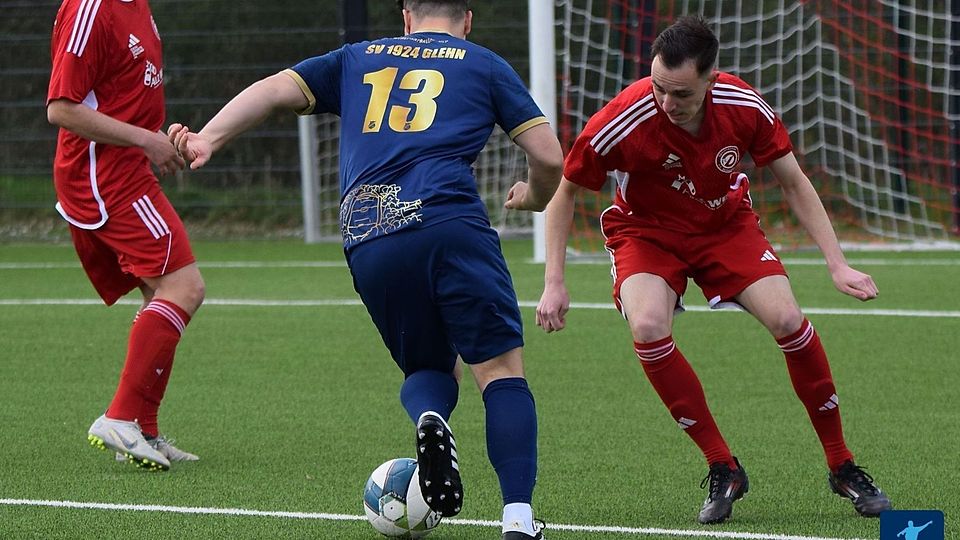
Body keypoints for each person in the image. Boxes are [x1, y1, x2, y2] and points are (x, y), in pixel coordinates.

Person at [168, 1, 562, 537]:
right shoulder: (481, 62)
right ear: (467, 20)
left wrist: (208, 137)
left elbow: (274, 89)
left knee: (427, 368)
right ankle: (518, 519)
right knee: (499, 372)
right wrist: (535, 198)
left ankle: (432, 418)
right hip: (450, 223)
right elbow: (550, 158)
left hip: (369, 232)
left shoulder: (357, 58)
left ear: (405, 16)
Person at [536, 15, 892, 524]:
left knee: (789, 321)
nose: (666, 102)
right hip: (647, 233)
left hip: (725, 226)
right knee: (648, 326)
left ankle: (842, 465)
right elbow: (564, 190)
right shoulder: (624, 118)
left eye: (680, 93)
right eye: (658, 87)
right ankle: (722, 464)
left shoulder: (743, 106)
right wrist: (554, 282)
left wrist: (837, 264)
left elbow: (792, 181)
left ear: (711, 78)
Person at [47, 0, 204, 471]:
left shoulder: (138, 6)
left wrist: (160, 135)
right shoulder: (91, 8)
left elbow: (120, 96)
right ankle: (118, 417)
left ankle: (142, 428)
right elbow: (62, 108)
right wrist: (143, 139)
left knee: (160, 290)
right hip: (103, 176)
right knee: (185, 286)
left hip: (126, 167)